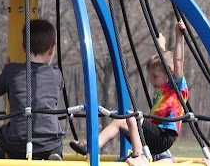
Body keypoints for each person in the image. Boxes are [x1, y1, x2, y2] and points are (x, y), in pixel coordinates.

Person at [71, 20, 188, 158]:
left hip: (163, 135)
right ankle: (92, 147)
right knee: (120, 121)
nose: (151, 82)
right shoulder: (164, 82)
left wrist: (179, 36)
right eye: (150, 77)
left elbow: (177, 61)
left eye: (154, 77)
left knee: (130, 117)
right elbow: (164, 62)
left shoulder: (176, 86)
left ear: (170, 72)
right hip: (153, 135)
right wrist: (161, 45)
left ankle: (138, 155)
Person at [0, 19, 65, 166]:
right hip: (50, 143)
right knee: (56, 136)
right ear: (51, 49)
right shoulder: (56, 74)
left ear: (24, 48)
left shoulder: (11, 71)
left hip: (19, 144)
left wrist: (5, 71)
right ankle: (54, 159)